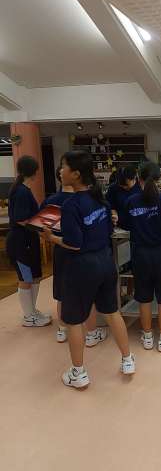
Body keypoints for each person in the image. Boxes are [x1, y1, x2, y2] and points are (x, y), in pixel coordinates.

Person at [41, 151, 135, 389]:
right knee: (112, 312)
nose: (60, 171)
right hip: (105, 261)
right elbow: (107, 230)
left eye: (63, 167)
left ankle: (78, 373)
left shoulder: (71, 205)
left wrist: (52, 238)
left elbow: (74, 243)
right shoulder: (100, 199)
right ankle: (127, 360)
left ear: (75, 174)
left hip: (82, 266)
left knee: (73, 321)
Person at [40, 166, 107, 347]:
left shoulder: (51, 201)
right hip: (83, 253)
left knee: (62, 292)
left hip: (61, 252)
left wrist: (51, 237)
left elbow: (40, 226)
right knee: (88, 295)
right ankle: (91, 333)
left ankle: (62, 330)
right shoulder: (87, 201)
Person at [125, 162, 161, 353]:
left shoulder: (131, 201)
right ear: (159, 179)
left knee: (144, 297)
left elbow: (127, 225)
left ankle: (147, 336)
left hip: (140, 255)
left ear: (138, 178)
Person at [6, 155, 51, 327]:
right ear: (34, 172)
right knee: (26, 278)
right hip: (20, 241)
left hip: (29, 240)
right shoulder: (21, 191)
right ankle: (28, 316)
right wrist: (41, 225)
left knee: (35, 276)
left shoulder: (23, 189)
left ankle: (32, 310)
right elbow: (20, 219)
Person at [105, 165, 141, 229]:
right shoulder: (113, 188)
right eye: (122, 186)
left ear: (134, 177)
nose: (124, 187)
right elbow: (110, 205)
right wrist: (114, 214)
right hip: (120, 226)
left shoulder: (141, 187)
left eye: (127, 185)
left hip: (139, 226)